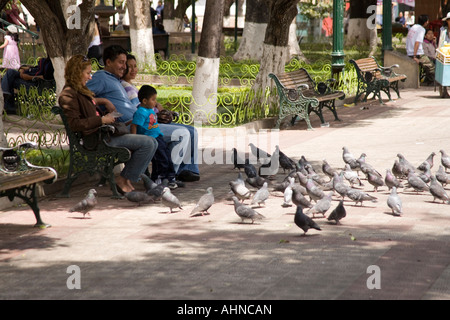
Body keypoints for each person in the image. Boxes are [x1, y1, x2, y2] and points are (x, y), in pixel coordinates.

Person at [58, 55, 158, 194]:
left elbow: (90, 106)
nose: (90, 77)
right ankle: (123, 179)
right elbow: (74, 124)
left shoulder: (80, 90)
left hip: (106, 133)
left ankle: (127, 178)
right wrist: (102, 120)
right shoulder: (68, 94)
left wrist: (105, 108)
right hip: (97, 139)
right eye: (87, 73)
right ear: (76, 73)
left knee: (152, 141)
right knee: (148, 143)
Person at [115, 51, 200, 182]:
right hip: (149, 124)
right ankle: (171, 175)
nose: (133, 70)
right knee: (183, 133)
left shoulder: (132, 86)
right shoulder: (125, 87)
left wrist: (158, 107)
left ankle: (188, 169)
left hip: (153, 120)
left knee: (192, 130)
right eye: (129, 66)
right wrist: (157, 110)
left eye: (135, 66)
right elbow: (140, 109)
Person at [131, 85, 177, 189]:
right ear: (144, 100)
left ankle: (169, 178)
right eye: (153, 99)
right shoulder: (141, 112)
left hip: (157, 136)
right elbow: (134, 125)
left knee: (167, 156)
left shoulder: (150, 109)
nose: (155, 102)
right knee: (160, 159)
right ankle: (158, 179)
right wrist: (134, 140)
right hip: (150, 139)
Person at [406, 14, 435, 85]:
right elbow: (417, 42)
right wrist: (415, 56)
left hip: (410, 51)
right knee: (431, 67)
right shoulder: (421, 29)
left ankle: (426, 81)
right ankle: (430, 82)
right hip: (418, 53)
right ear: (425, 22)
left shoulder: (413, 27)